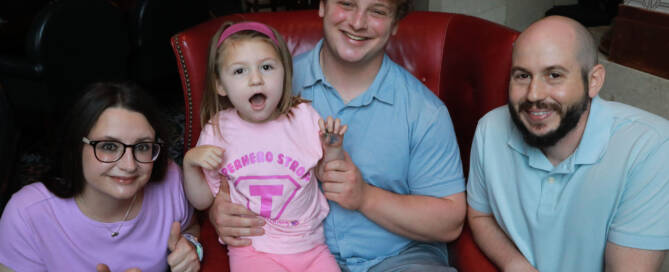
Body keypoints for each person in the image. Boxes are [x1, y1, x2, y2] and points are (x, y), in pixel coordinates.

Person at [207, 1, 467, 271]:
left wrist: (365, 197)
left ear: (395, 24)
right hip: (289, 257)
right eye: (347, 3)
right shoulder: (268, 82)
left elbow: (450, 223)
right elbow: (226, 156)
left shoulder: (424, 111)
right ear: (322, 6)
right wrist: (219, 211)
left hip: (399, 259)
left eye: (377, 11)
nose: (357, 22)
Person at [466, 15, 669, 272]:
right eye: (522, 75)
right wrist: (514, 264)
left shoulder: (651, 148)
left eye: (554, 74)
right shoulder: (490, 129)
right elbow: (480, 215)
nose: (534, 94)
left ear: (593, 81)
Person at [182, 21, 346, 271]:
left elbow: (327, 174)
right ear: (220, 85)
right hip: (254, 250)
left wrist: (332, 148)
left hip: (312, 246)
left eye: (267, 67)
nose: (256, 80)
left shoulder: (303, 117)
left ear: (285, 73)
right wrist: (190, 163)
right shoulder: (218, 130)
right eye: (240, 71)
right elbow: (202, 200)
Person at [0, 82, 201, 272]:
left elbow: (190, 227)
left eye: (142, 147)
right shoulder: (26, 214)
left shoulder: (171, 179)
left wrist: (191, 247)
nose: (129, 165)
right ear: (76, 147)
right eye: (109, 146)